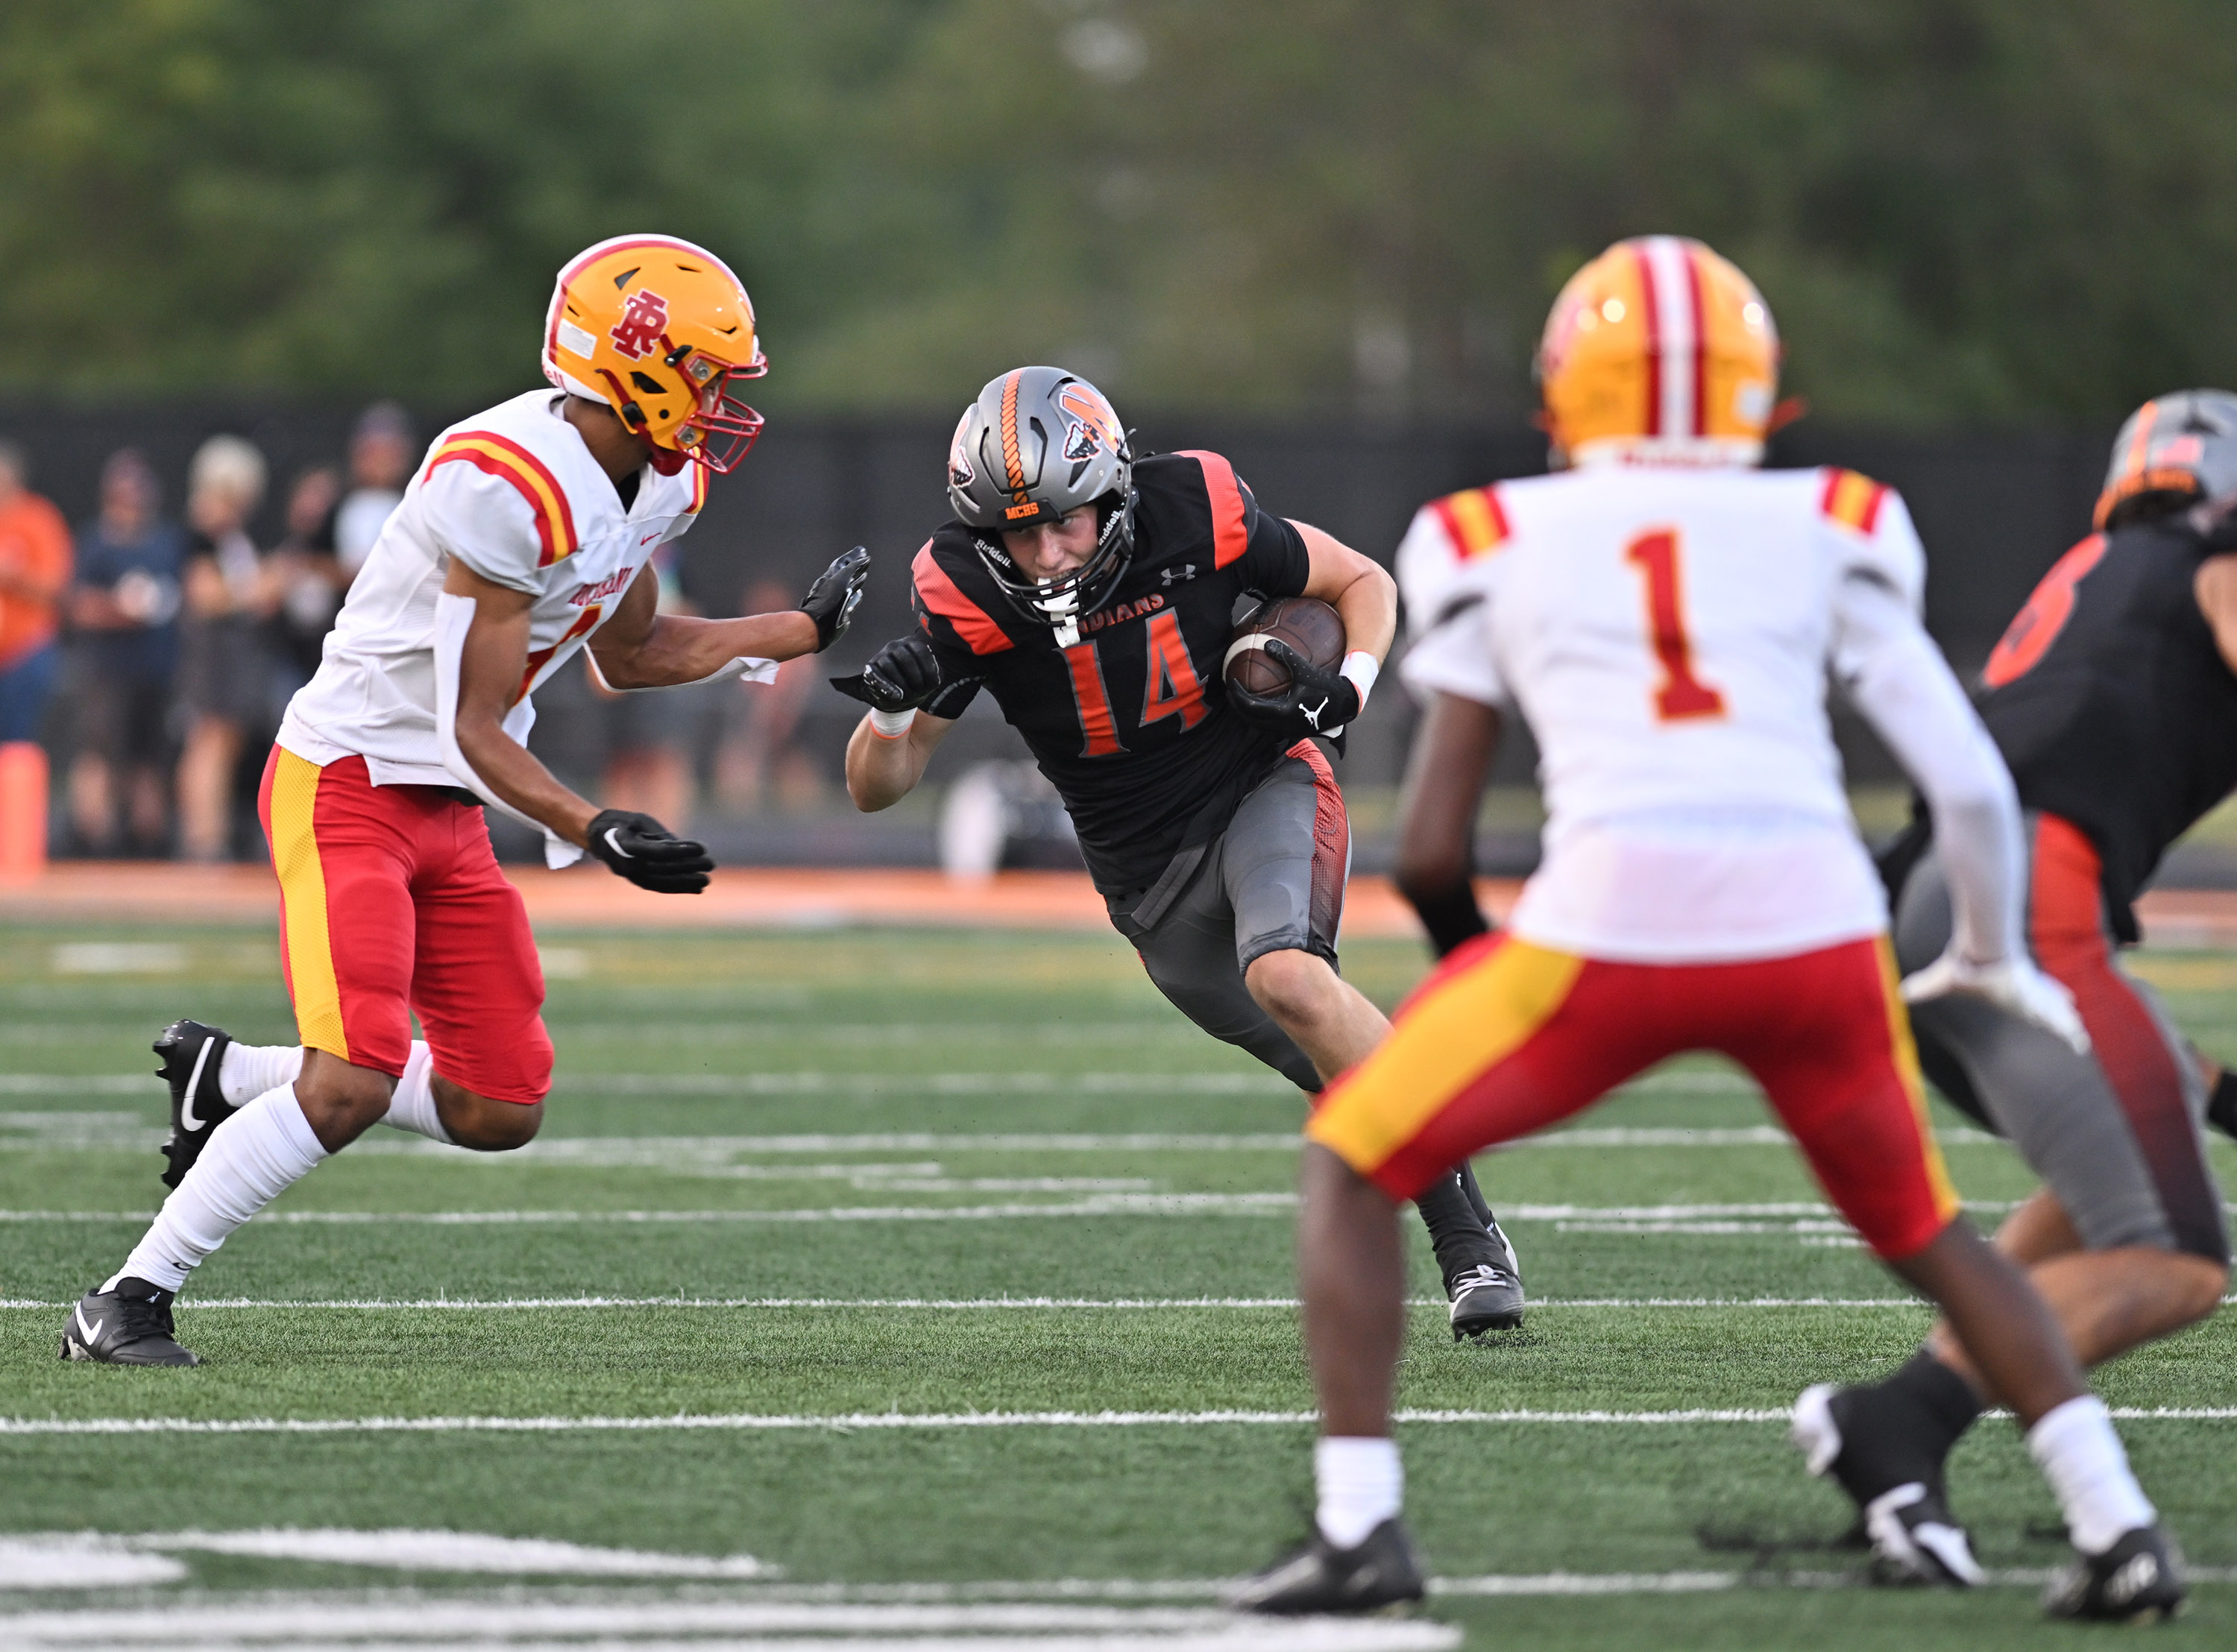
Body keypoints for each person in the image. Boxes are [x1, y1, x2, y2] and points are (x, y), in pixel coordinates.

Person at [1229, 237, 2182, 1624]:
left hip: (1605, 936)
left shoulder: (1487, 534)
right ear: (1758, 390)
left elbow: (1435, 841)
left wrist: (1477, 967)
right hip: (1815, 933)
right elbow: (1969, 777)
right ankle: (2119, 1524)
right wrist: (1992, 954)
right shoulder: (1840, 516)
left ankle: (1361, 1525)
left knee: (1352, 1160)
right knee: (1934, 1235)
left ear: (1567, 391)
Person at [60, 233, 869, 1367]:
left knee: (501, 1104)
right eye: (705, 372)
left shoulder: (660, 477)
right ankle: (126, 1299)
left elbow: (630, 653)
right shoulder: (504, 481)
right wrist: (594, 825)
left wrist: (801, 633)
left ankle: (231, 1077)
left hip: (445, 805)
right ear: (637, 369)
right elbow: (470, 722)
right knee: (352, 1081)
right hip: (351, 781)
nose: (721, 399)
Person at [834, 365, 1524, 1332]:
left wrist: (1353, 688)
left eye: (1065, 522)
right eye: (1018, 533)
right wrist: (892, 716)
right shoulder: (962, 589)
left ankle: (1470, 1245)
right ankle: (1457, 1193)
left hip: (1258, 782)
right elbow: (878, 790)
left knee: (1291, 977)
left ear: (1113, 494)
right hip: (1146, 878)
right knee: (1314, 1059)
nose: (1044, 555)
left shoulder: (1194, 507)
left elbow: (1358, 580)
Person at [1801, 389, 2236, 1592]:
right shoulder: (2206, 553)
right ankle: (1966, 1449)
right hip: (2027, 904)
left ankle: (1903, 1424)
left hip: (1932, 907)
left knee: (2111, 1192)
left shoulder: (2104, 573)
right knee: (2180, 1260)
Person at [64, 449, 187, 855]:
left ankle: (146, 840)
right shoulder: (96, 542)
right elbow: (78, 606)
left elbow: (181, 596)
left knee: (149, 758)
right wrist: (123, 609)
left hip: (155, 668)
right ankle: (93, 838)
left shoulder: (166, 541)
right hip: (107, 670)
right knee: (99, 753)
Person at [176, 435, 278, 861]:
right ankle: (202, 837)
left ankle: (211, 832)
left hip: (235, 651)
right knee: (209, 737)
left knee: (226, 740)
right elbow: (207, 596)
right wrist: (259, 588)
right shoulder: (203, 536)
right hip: (212, 651)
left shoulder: (232, 538)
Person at [0, 441, 73, 749]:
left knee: (17, 741)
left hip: (25, 650)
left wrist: (14, 576)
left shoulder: (37, 518)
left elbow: (56, 586)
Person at [326, 402, 416, 581]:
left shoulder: (415, 503)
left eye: (390, 453)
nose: (381, 462)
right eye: (373, 452)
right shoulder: (334, 506)